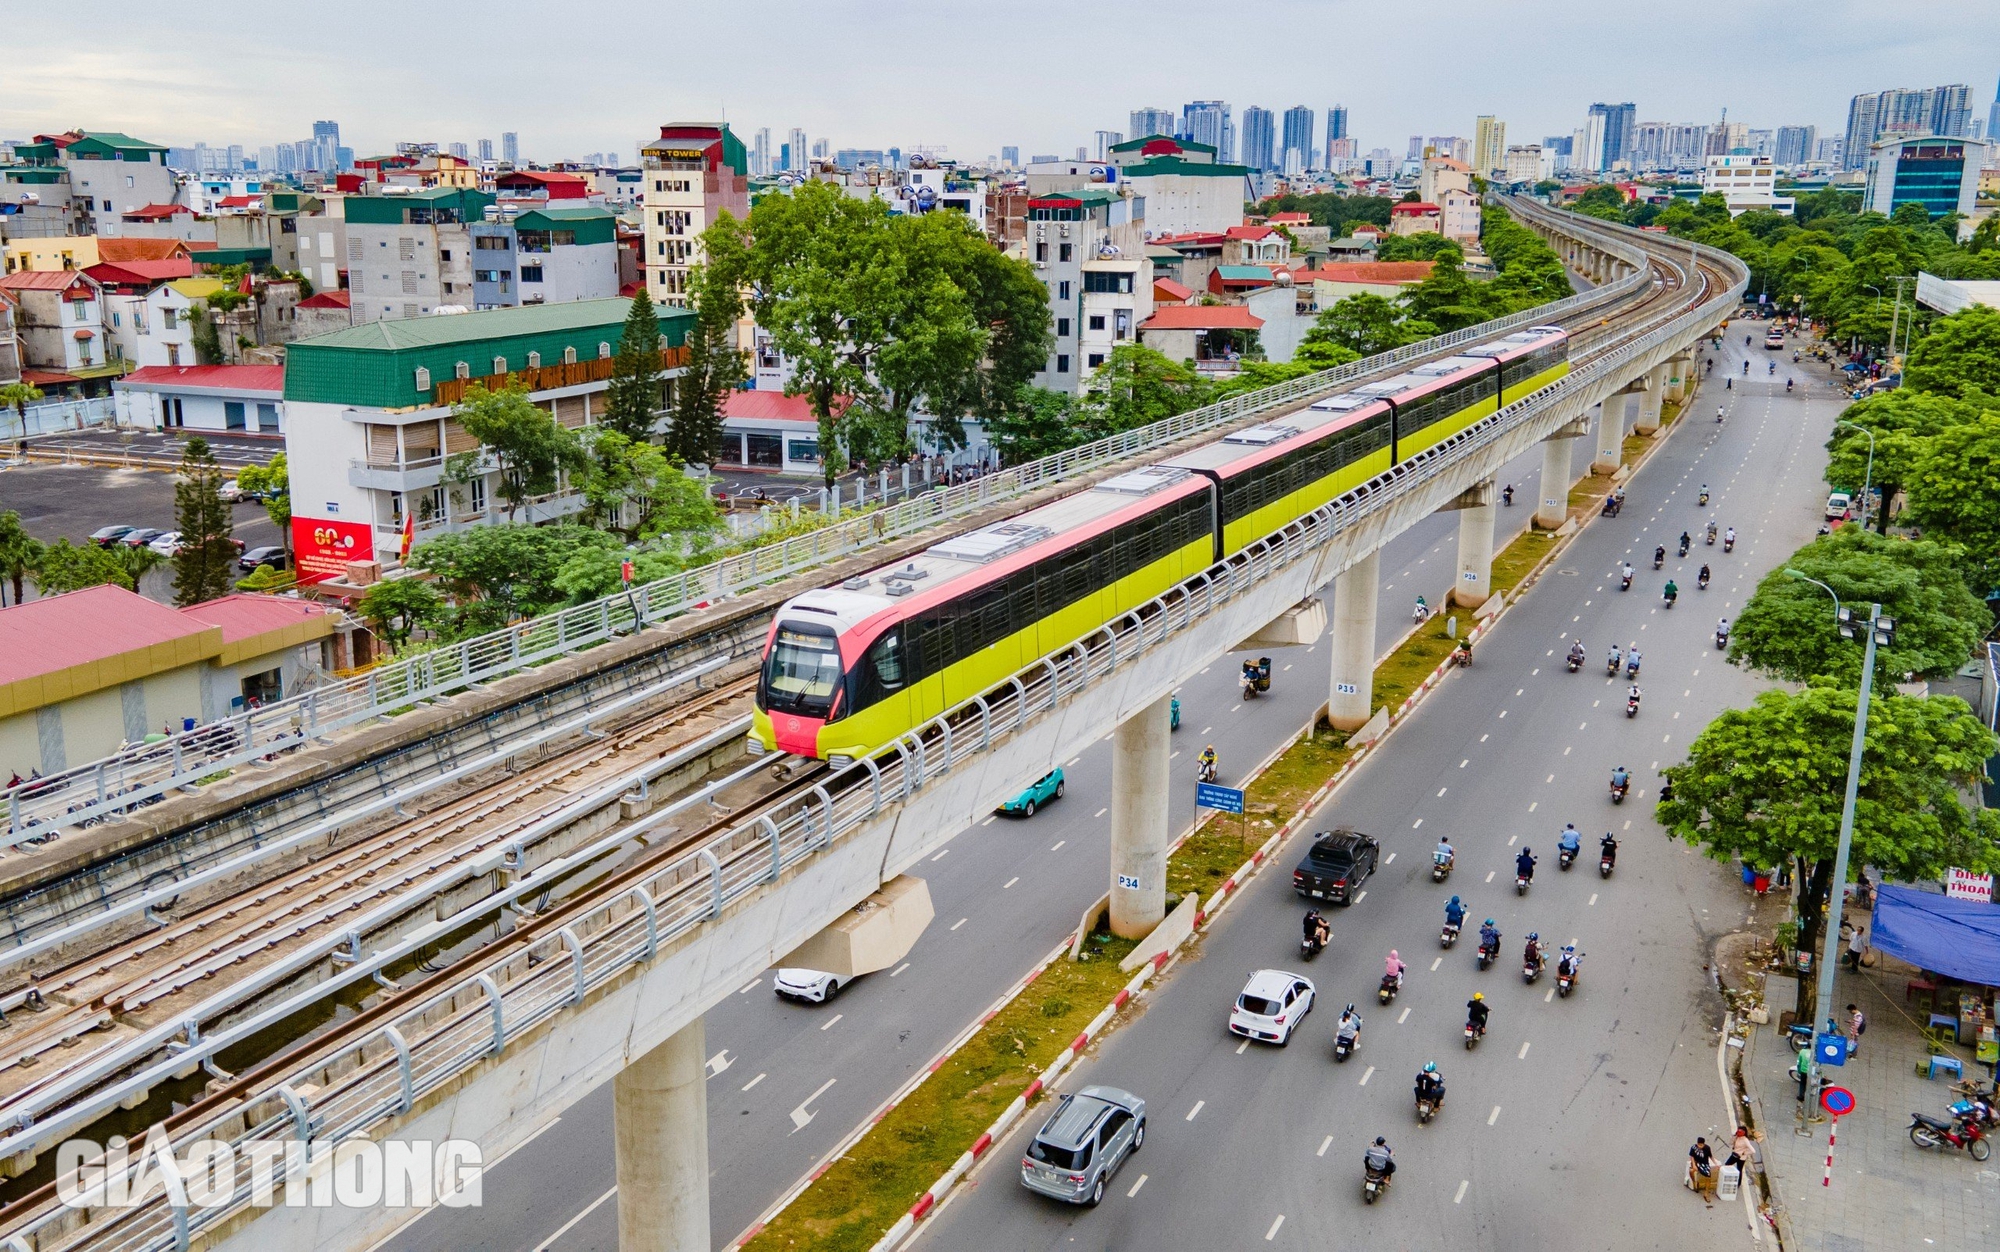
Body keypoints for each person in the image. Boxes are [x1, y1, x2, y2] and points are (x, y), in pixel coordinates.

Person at [1688, 1137, 1717, 1206]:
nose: (1699, 1146)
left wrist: (1715, 1163)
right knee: (1692, 1170)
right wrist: (1694, 1165)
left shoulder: (1707, 1148)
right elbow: (1692, 1157)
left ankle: (1706, 1193)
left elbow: (1711, 1156)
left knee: (1708, 1176)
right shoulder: (1693, 1147)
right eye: (1698, 1144)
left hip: (1704, 1163)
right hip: (1696, 1162)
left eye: (1701, 1145)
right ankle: (1694, 1182)